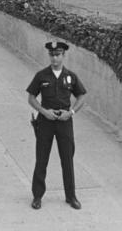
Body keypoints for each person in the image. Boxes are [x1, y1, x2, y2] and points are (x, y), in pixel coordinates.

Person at [26, 41, 87, 211]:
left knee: (67, 159)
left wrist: (71, 112)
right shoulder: (41, 75)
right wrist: (43, 111)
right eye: (52, 55)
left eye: (58, 54)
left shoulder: (71, 76)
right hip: (46, 121)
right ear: (49, 56)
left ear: (63, 55)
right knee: (41, 159)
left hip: (64, 122)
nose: (54, 58)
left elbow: (81, 97)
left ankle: (71, 196)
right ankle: (37, 196)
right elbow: (31, 98)